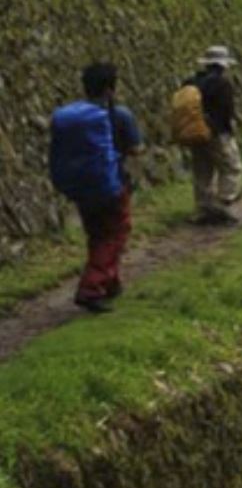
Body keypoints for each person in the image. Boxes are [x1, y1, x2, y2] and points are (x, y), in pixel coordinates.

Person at [48, 62, 144, 313]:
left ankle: (110, 282)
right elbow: (136, 148)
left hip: (82, 186)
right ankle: (91, 289)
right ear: (110, 89)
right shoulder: (119, 114)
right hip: (111, 184)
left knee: (98, 235)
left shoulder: (73, 117)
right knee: (115, 234)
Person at [189, 45, 242, 225]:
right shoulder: (222, 84)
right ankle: (222, 205)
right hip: (216, 132)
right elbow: (226, 111)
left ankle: (203, 208)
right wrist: (228, 131)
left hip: (195, 132)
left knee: (202, 171)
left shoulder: (191, 82)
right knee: (232, 167)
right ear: (223, 65)